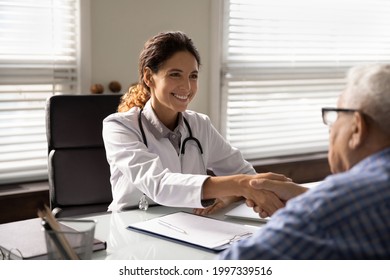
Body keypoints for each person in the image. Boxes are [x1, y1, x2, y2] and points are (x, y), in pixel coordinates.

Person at [102, 31, 289, 215]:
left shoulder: (200, 125)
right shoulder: (119, 127)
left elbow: (245, 173)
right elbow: (159, 185)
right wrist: (239, 185)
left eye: (193, 76)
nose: (187, 86)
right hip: (129, 229)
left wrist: (233, 194)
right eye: (175, 74)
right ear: (149, 77)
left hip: (189, 226)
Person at [220, 63, 390, 259]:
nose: (330, 128)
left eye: (336, 115)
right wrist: (306, 197)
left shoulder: (330, 206)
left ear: (357, 128)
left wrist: (308, 208)